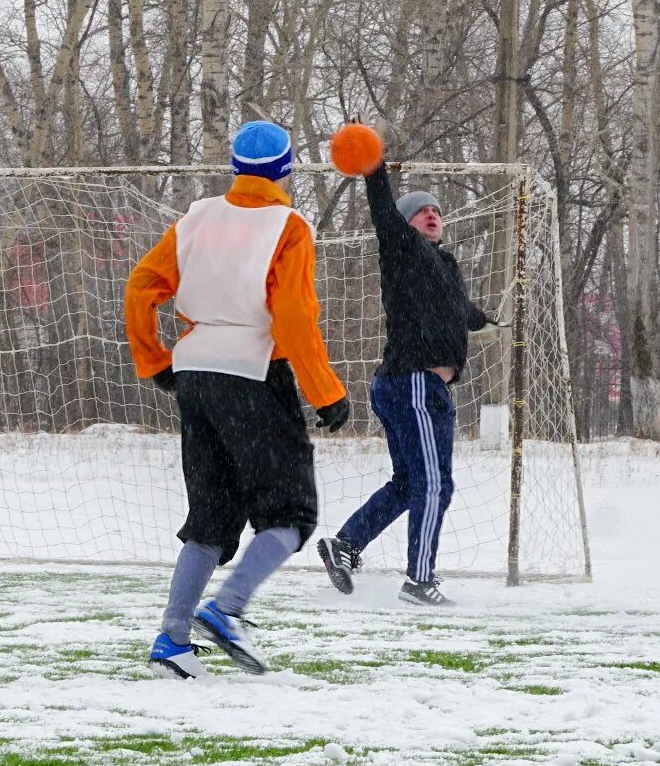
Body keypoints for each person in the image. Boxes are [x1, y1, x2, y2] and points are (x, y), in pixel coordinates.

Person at [124, 120, 350, 678]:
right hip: (254, 373)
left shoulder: (196, 217)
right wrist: (326, 391)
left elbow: (139, 288)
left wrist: (156, 361)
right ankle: (226, 610)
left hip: (196, 369)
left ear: (235, 168)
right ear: (285, 169)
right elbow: (294, 318)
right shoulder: (289, 226)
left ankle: (171, 642)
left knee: (210, 515)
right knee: (291, 513)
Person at [317, 140, 497, 606]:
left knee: (407, 484)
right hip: (415, 382)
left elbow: (461, 309)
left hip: (405, 386)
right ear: (407, 223)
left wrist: (490, 320)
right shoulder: (403, 248)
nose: (432, 215)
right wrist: (374, 169)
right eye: (421, 212)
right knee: (435, 484)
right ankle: (420, 581)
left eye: (437, 211)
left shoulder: (443, 264)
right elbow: (383, 211)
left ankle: (345, 545)